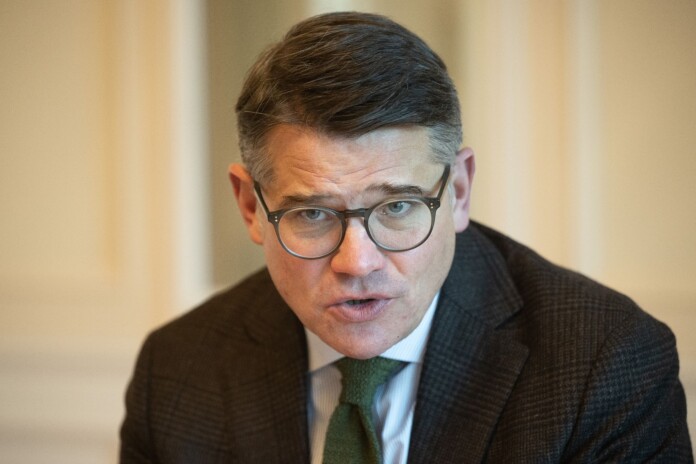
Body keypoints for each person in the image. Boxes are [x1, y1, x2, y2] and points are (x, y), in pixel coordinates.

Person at [120, 11, 692, 463]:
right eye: (313, 214)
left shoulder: (604, 362)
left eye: (397, 207)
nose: (357, 262)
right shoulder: (176, 372)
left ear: (458, 191)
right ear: (251, 206)